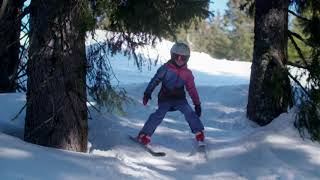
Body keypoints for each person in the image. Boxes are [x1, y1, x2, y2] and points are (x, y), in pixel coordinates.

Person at [137, 42, 205, 145]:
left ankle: (199, 132)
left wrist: (197, 104)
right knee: (159, 114)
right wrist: (147, 93)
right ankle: (144, 134)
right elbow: (155, 80)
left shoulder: (187, 73)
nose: (179, 60)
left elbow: (192, 89)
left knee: (189, 112)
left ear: (187, 58)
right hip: (165, 98)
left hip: (180, 99)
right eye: (176, 56)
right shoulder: (165, 69)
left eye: (183, 58)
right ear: (172, 55)